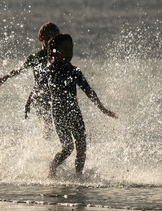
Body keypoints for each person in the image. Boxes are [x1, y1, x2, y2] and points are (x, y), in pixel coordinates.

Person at [45, 33, 118, 177]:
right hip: (59, 114)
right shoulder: (50, 70)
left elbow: (89, 91)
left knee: (82, 145)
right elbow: (38, 89)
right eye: (65, 49)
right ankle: (52, 168)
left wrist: (102, 108)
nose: (69, 52)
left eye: (71, 49)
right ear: (55, 50)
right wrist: (31, 102)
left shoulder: (75, 71)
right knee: (68, 147)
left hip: (74, 113)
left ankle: (79, 176)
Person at [0, 22, 60, 138]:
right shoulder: (36, 57)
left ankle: (52, 150)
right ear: (41, 38)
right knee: (47, 126)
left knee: (57, 126)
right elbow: (20, 69)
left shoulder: (59, 57)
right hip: (40, 97)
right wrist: (6, 77)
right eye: (48, 39)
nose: (51, 42)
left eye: (54, 39)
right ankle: (45, 150)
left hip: (55, 96)